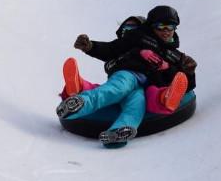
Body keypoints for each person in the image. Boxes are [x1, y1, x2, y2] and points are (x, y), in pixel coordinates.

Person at [56, 6, 196, 147]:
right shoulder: (139, 38)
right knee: (117, 89)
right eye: (161, 27)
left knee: (136, 106)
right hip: (129, 74)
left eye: (170, 27)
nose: (166, 31)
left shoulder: (176, 56)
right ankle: (81, 104)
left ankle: (117, 135)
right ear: (152, 26)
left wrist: (181, 70)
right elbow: (112, 49)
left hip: (143, 87)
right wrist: (91, 46)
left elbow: (185, 85)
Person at [60, 15, 196, 114]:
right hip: (126, 79)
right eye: (127, 28)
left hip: (146, 84)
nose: (130, 32)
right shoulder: (123, 48)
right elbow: (109, 49)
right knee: (117, 89)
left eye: (133, 29)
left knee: (144, 97)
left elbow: (173, 71)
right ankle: (79, 90)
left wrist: (185, 71)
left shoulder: (153, 49)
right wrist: (90, 47)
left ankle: (166, 97)